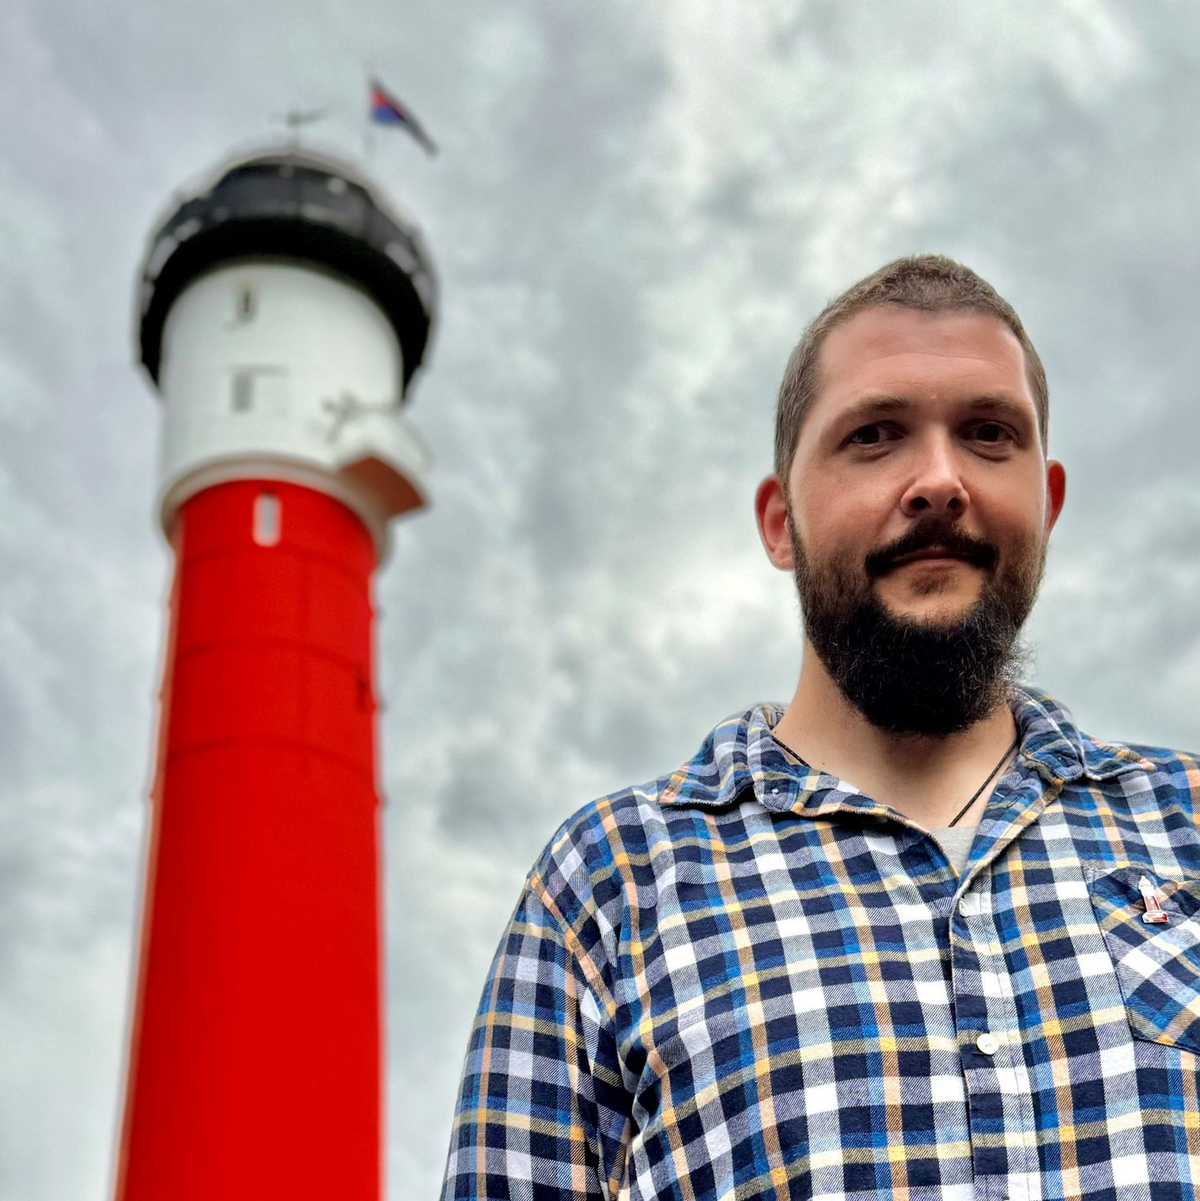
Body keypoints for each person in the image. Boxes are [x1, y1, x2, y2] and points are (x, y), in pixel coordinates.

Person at [439, 255, 1200, 1200]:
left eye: (988, 433)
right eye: (875, 436)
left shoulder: (1191, 822)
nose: (938, 479)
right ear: (779, 522)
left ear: (1048, 500)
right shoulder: (610, 884)